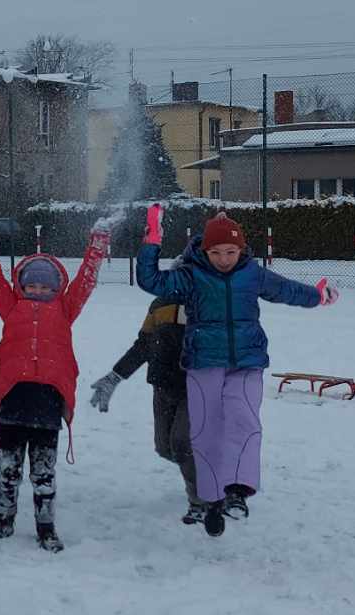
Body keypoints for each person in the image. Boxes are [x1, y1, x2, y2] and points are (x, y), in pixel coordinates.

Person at [135, 207, 336, 536]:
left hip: (246, 361)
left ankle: (238, 491)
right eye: (216, 252)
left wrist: (317, 296)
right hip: (204, 362)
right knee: (205, 430)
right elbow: (151, 280)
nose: (224, 259)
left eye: (230, 252)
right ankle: (210, 500)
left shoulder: (252, 274)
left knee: (244, 420)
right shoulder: (191, 275)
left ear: (241, 250)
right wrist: (152, 239)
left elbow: (286, 290)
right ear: (204, 251)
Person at [0, 208, 109, 552]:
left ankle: (46, 526)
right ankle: (4, 517)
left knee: (44, 473)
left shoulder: (65, 308)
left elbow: (87, 279)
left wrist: (98, 241)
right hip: (13, 399)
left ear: (57, 287)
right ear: (22, 285)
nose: (38, 289)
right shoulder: (10, 305)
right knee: (8, 468)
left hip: (47, 401)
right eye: (31, 284)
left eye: (45, 284)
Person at [90, 296, 202, 524]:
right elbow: (144, 345)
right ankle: (205, 467)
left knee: (182, 443)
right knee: (165, 448)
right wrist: (115, 376)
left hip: (198, 386)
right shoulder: (160, 304)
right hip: (163, 384)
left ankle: (201, 501)